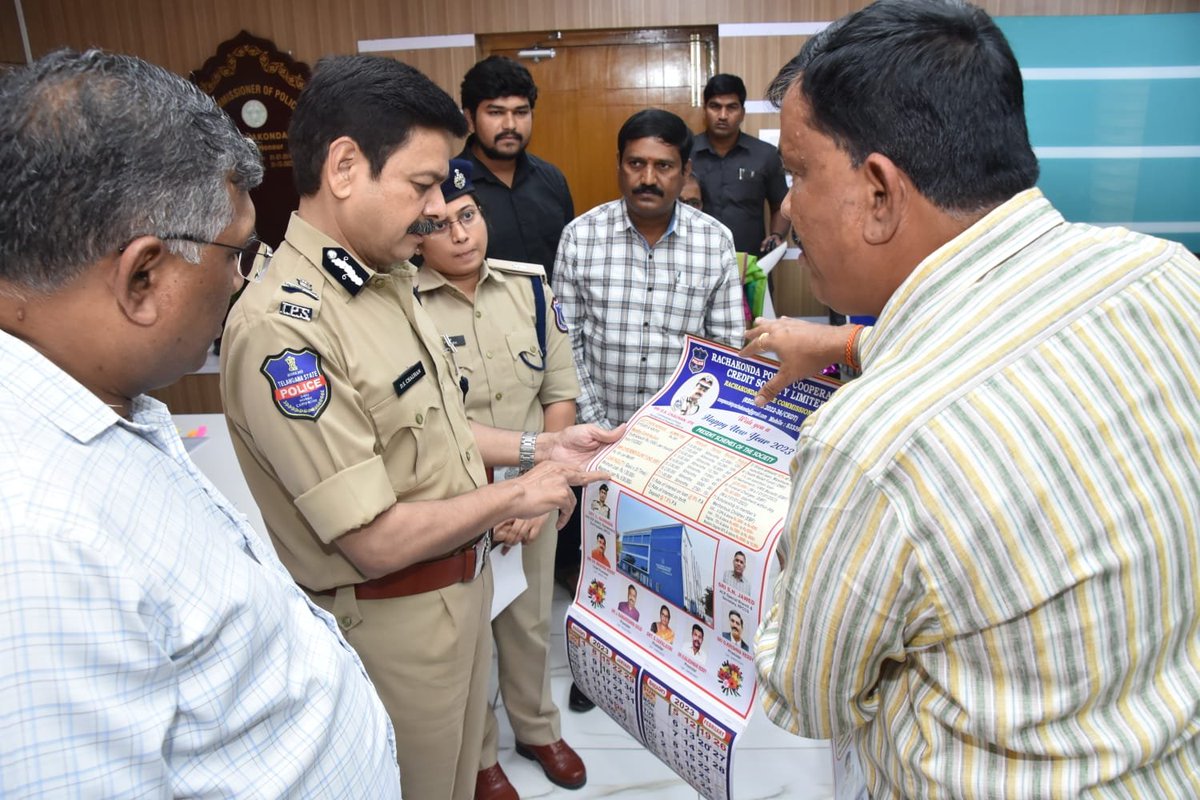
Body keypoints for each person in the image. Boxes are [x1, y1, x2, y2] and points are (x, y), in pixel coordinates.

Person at [751, 2, 1200, 797]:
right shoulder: (1169, 276)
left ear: (881, 191)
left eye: (797, 174)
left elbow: (809, 695)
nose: (787, 208)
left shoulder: (873, 447)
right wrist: (843, 343)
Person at [0, 49, 400, 797]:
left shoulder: (105, 398)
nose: (245, 276)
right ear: (144, 276)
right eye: (237, 252)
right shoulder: (31, 543)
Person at [219, 55, 616, 800]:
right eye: (423, 184)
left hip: (458, 596)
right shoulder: (286, 327)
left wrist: (541, 446)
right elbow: (372, 538)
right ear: (344, 167)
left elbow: (437, 430)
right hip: (393, 624)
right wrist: (519, 493)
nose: (439, 210)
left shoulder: (385, 280)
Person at [414, 158, 586, 798]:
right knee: (467, 630)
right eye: (440, 224)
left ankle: (538, 729)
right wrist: (492, 502)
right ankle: (480, 753)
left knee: (530, 620)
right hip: (450, 508)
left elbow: (559, 395)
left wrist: (542, 488)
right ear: (415, 235)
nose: (461, 235)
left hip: (533, 492)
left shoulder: (531, 291)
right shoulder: (400, 307)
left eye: (469, 216)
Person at [552, 108, 744, 429]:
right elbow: (565, 344)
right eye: (636, 164)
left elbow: (727, 346)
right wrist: (599, 427)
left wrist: (688, 424)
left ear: (686, 172)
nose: (648, 179)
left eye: (664, 166)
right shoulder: (580, 236)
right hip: (595, 430)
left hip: (683, 432)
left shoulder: (715, 241)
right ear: (619, 164)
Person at [459, 55, 574, 282]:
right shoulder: (448, 186)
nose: (510, 125)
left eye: (521, 112)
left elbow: (568, 260)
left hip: (550, 314)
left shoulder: (552, 179)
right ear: (470, 119)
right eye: (496, 112)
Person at [690, 74, 790, 257]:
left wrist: (776, 235)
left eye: (731, 107)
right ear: (705, 110)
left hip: (751, 265)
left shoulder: (766, 155)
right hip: (697, 261)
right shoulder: (686, 155)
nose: (722, 115)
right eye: (715, 106)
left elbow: (781, 205)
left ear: (742, 112)